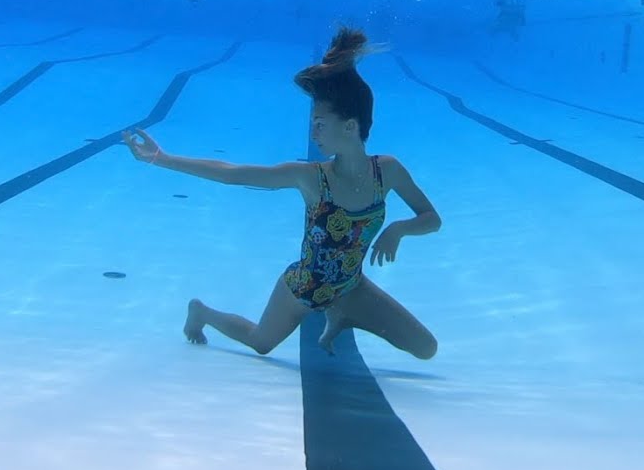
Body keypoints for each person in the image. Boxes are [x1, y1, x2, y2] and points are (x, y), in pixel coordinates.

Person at [122, 26, 441, 360]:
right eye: (313, 123)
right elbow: (233, 174)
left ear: (350, 126)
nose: (313, 133)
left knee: (426, 348)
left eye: (320, 124)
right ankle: (201, 312)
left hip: (351, 286)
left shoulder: (387, 171)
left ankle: (342, 314)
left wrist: (398, 230)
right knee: (261, 342)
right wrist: (162, 158)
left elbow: (432, 219)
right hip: (305, 287)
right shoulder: (311, 178)